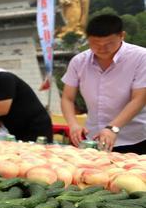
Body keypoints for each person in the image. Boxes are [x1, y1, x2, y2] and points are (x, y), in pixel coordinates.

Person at [60, 13, 146, 153]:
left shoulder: (141, 58)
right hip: (94, 138)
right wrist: (73, 124)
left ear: (122, 35)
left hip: (134, 139)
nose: (102, 48)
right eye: (95, 44)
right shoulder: (79, 61)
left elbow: (140, 99)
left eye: (109, 44)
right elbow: (67, 98)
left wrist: (113, 128)